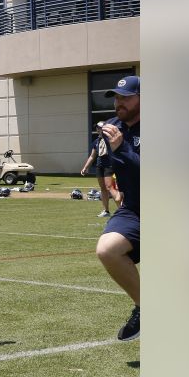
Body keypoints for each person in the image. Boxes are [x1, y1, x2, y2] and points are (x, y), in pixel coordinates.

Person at [95, 76, 141, 341]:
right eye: (117, 97)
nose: (119, 103)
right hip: (133, 209)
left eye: (126, 97)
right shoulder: (112, 127)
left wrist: (121, 147)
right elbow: (107, 162)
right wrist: (112, 188)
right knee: (107, 250)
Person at [80, 123, 122, 217]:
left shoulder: (111, 140)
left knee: (110, 187)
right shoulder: (97, 141)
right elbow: (92, 156)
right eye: (98, 128)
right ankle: (106, 211)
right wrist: (85, 167)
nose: (99, 130)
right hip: (100, 166)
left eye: (101, 128)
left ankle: (122, 210)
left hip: (109, 165)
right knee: (103, 189)